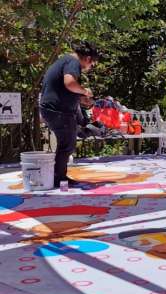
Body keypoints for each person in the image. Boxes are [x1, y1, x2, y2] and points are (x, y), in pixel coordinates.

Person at [39, 41, 100, 188]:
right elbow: (70, 83)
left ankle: (59, 176)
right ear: (88, 59)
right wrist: (85, 91)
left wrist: (79, 98)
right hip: (57, 111)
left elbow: (63, 89)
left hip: (53, 109)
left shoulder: (66, 60)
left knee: (66, 143)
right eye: (92, 64)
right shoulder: (73, 62)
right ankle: (58, 179)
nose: (90, 68)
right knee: (67, 144)